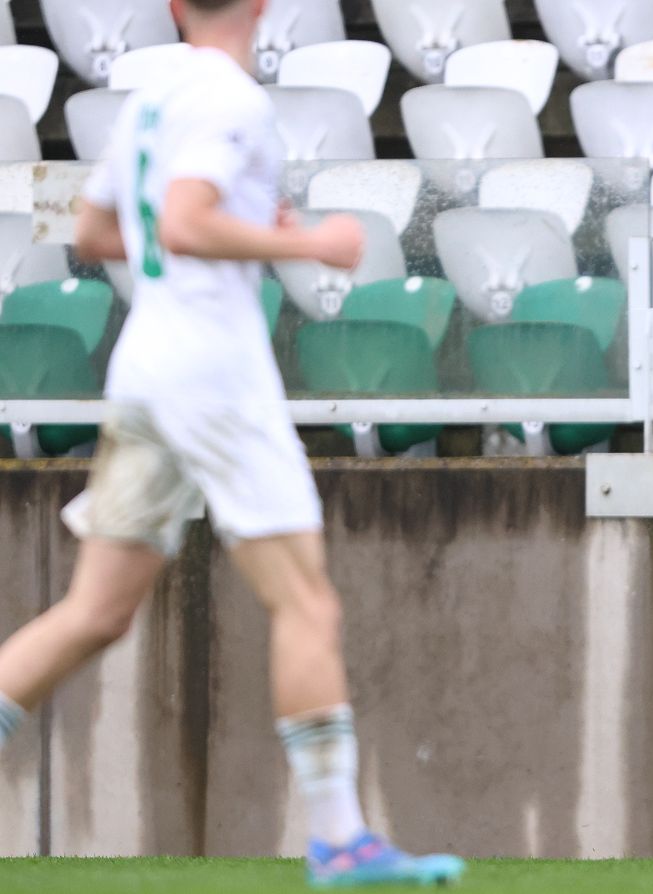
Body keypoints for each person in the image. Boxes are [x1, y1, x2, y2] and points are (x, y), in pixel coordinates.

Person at [0, 0, 463, 885]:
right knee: (307, 604)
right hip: (212, 377)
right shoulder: (230, 97)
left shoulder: (149, 96)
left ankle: (341, 839)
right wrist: (306, 242)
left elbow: (97, 232)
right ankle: (340, 839)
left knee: (96, 613)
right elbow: (184, 222)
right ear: (262, 6)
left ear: (175, 7)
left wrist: (238, 232)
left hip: (146, 370)